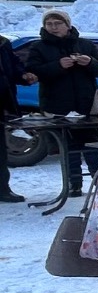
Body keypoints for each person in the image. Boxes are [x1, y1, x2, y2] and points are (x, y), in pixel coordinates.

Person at [29, 9, 98, 196]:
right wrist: (57, 66)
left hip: (86, 106)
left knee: (92, 148)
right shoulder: (38, 47)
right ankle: (73, 185)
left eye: (58, 23)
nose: (53, 27)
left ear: (68, 25)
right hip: (56, 107)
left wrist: (90, 63)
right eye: (49, 24)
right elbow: (33, 72)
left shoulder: (85, 44)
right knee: (67, 148)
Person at [1, 34, 39, 203]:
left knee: (0, 152)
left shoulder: (3, 43)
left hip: (3, 103)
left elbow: (13, 66)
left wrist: (23, 76)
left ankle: (3, 190)